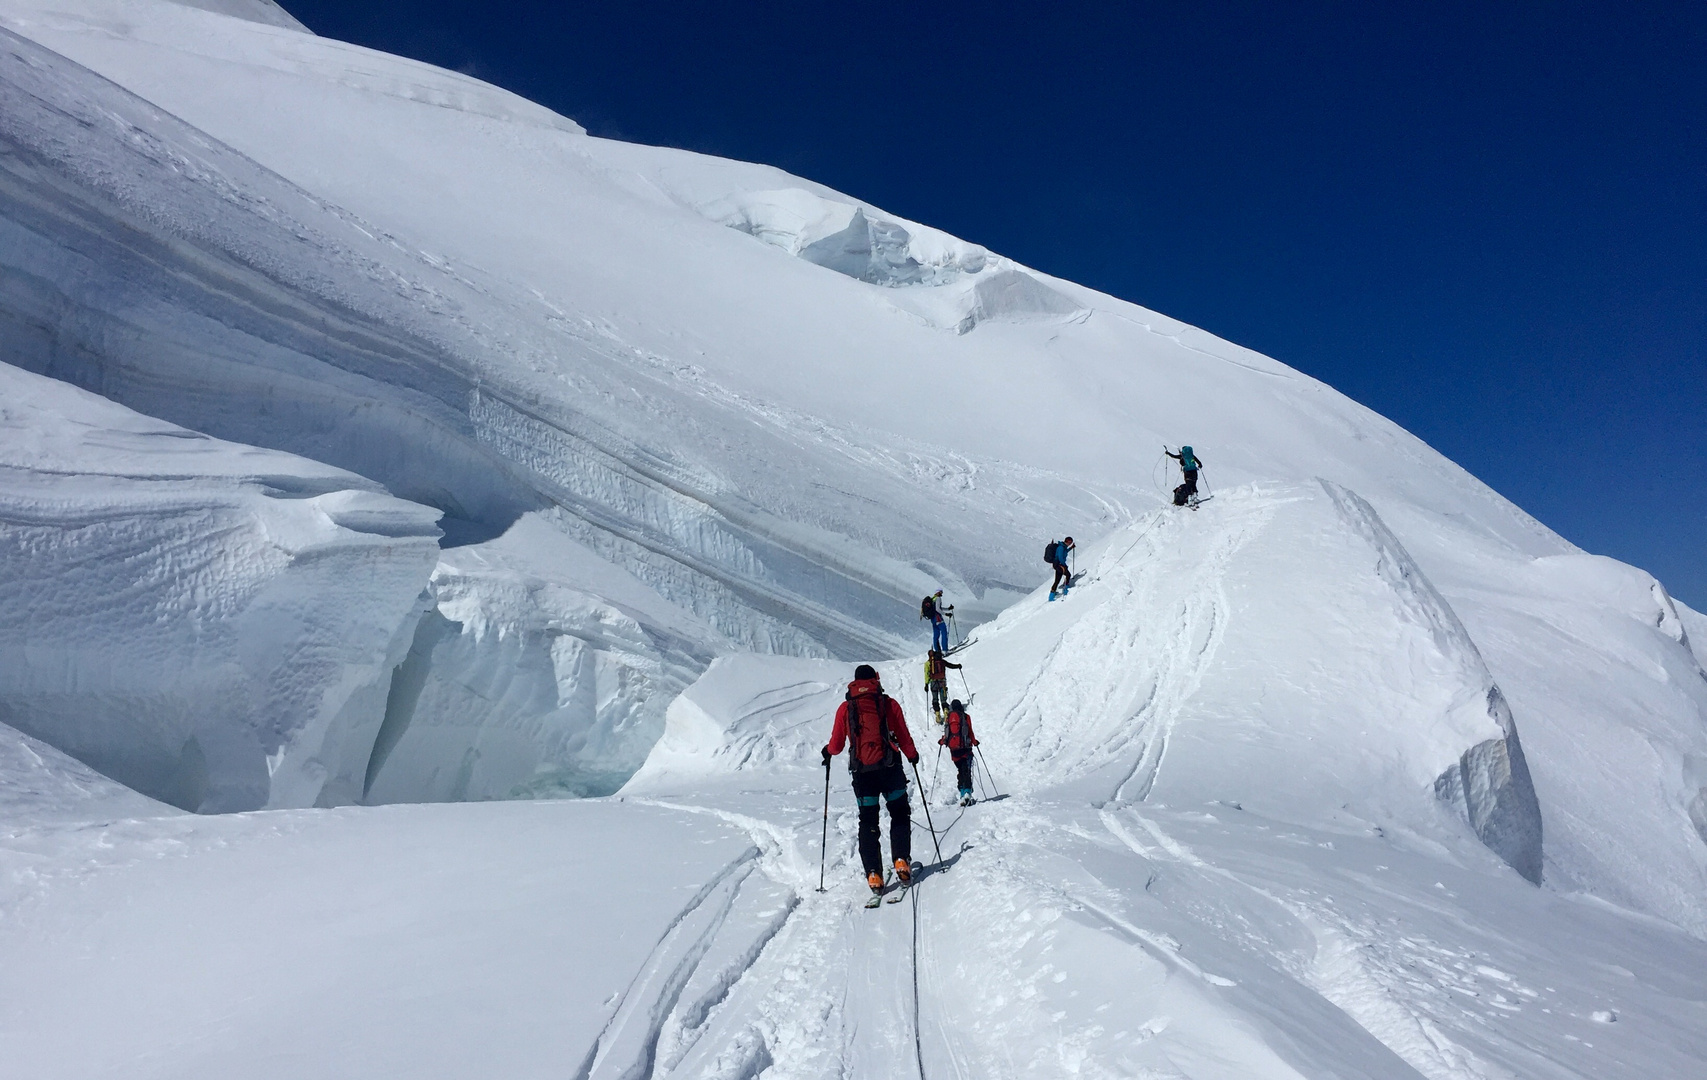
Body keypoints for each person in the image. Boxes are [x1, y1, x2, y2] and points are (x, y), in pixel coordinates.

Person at [823, 664, 922, 893]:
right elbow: (904, 736)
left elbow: (837, 745)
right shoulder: (888, 704)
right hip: (890, 769)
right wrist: (913, 755)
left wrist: (827, 752)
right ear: (875, 680)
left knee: (868, 821)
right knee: (899, 813)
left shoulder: (845, 709)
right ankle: (900, 861)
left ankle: (874, 875)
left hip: (862, 775)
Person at [940, 699, 979, 806]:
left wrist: (942, 741)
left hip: (954, 750)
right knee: (966, 770)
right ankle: (967, 793)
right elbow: (970, 731)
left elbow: (947, 733)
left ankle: (962, 793)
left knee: (960, 770)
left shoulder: (949, 718)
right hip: (965, 748)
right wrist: (974, 742)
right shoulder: (966, 717)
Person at [924, 648, 962, 719]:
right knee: (943, 699)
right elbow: (950, 665)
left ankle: (937, 714)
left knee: (935, 699)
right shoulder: (942, 661)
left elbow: (926, 674)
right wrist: (958, 666)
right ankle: (946, 712)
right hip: (942, 682)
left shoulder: (928, 663)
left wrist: (926, 684)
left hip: (933, 683)